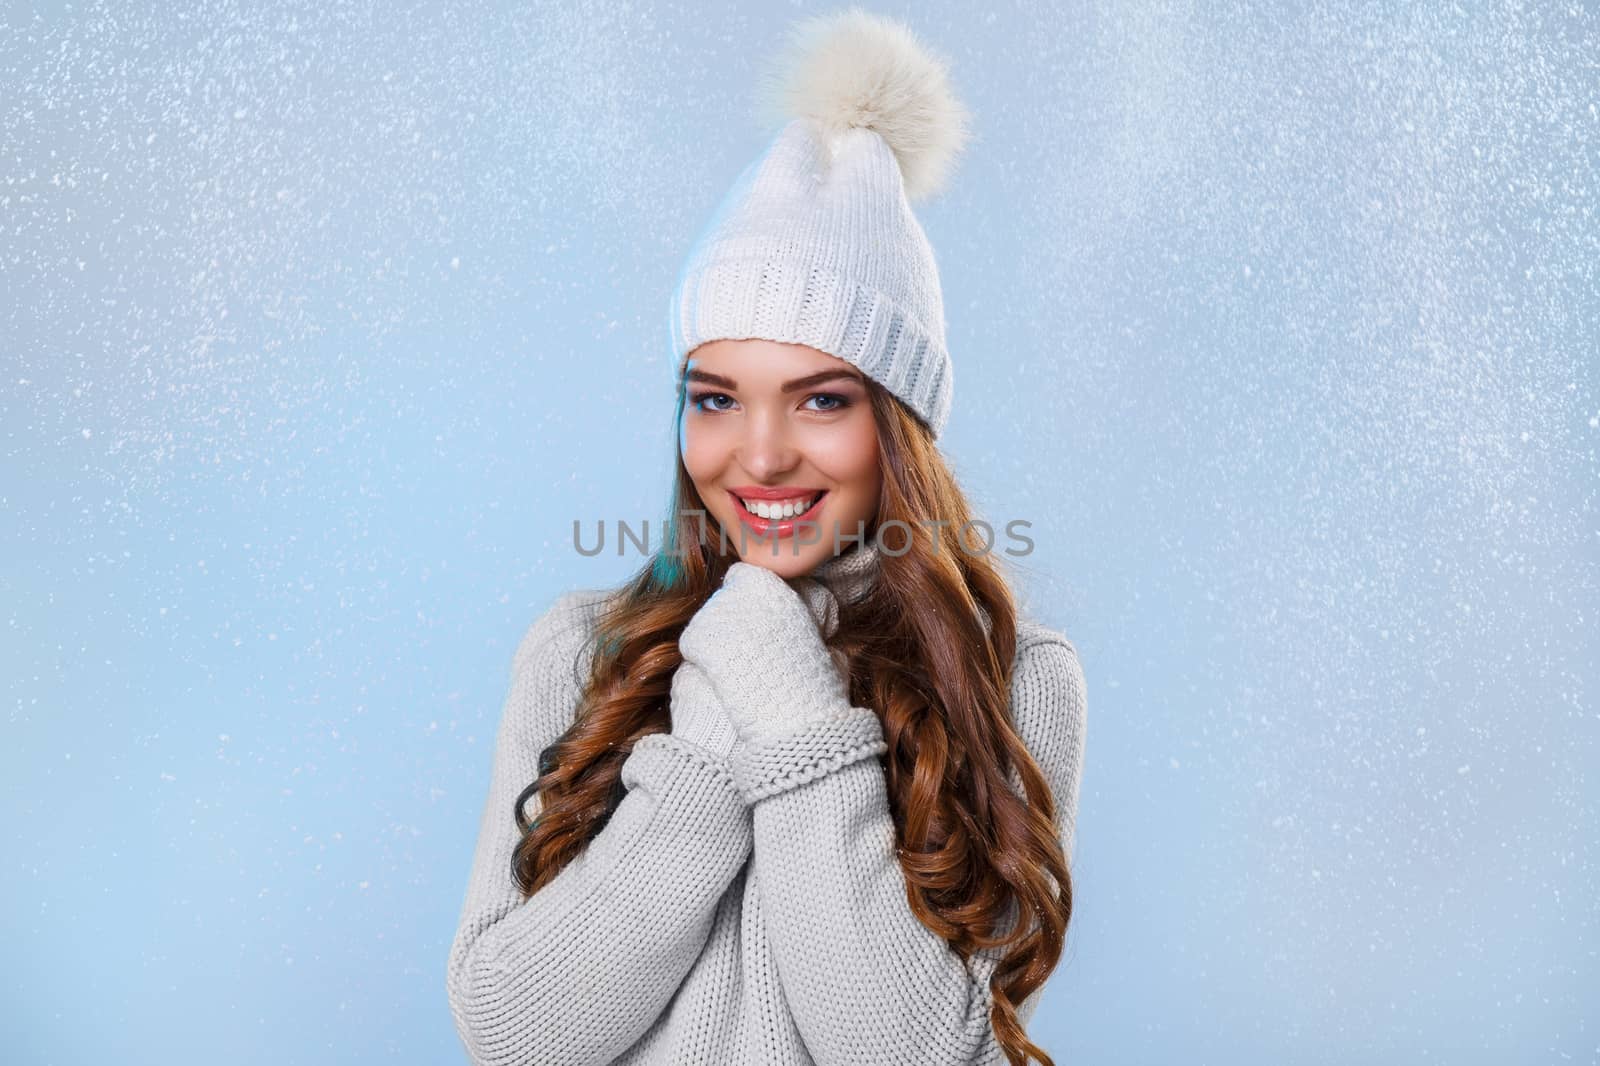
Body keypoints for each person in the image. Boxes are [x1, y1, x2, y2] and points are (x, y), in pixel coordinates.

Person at [446, 9, 1087, 1065]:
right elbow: (515, 1035)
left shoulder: (1011, 678)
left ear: (899, 427)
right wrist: (701, 748)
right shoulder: (583, 655)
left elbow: (902, 1051)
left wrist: (793, 717)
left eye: (821, 400)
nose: (759, 454)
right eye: (715, 398)